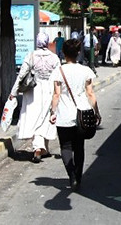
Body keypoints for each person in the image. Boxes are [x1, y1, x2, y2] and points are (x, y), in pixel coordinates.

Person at [49, 38, 101, 191]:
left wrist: (53, 112)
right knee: (79, 147)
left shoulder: (58, 71)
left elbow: (56, 95)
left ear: (63, 53)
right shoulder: (86, 71)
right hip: (82, 114)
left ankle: (71, 176)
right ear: (78, 53)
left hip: (64, 115)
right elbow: (90, 93)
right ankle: (78, 177)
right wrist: (96, 112)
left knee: (65, 146)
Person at [9, 32, 61, 163]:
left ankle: (40, 148)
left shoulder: (31, 56)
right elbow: (59, 77)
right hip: (49, 89)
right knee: (46, 117)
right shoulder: (54, 58)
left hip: (33, 91)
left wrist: (13, 92)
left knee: (36, 117)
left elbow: (21, 75)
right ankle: (41, 148)